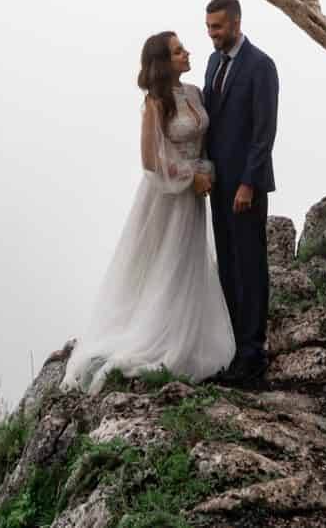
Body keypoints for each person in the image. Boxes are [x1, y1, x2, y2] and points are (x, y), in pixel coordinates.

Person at [63, 31, 235, 392]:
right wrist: (191, 178)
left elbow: (203, 139)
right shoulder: (155, 103)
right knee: (164, 261)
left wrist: (206, 172)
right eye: (177, 51)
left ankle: (187, 332)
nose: (186, 52)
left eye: (183, 48)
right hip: (166, 196)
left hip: (193, 195)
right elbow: (150, 160)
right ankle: (154, 336)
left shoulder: (194, 93)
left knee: (187, 262)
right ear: (163, 62)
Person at [203, 0, 279, 387]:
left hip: (247, 187)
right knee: (229, 267)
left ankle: (254, 353)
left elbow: (264, 132)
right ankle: (234, 349)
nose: (212, 34)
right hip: (218, 186)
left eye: (217, 27)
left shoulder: (261, 66)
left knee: (251, 266)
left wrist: (249, 182)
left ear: (235, 23)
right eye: (208, 28)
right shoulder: (214, 63)